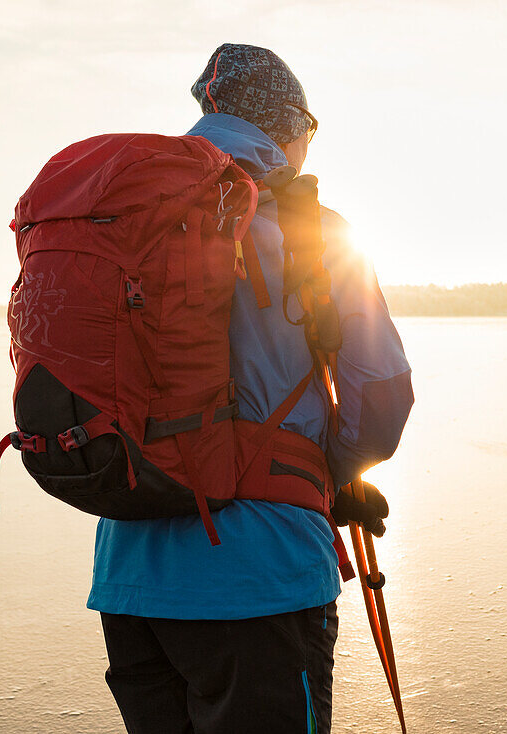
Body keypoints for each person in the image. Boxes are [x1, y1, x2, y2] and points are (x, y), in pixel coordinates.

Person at [86, 44, 414, 734]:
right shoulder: (315, 231)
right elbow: (381, 395)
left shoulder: (125, 222)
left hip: (130, 577)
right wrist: (336, 471)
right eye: (309, 130)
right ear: (287, 126)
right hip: (260, 577)